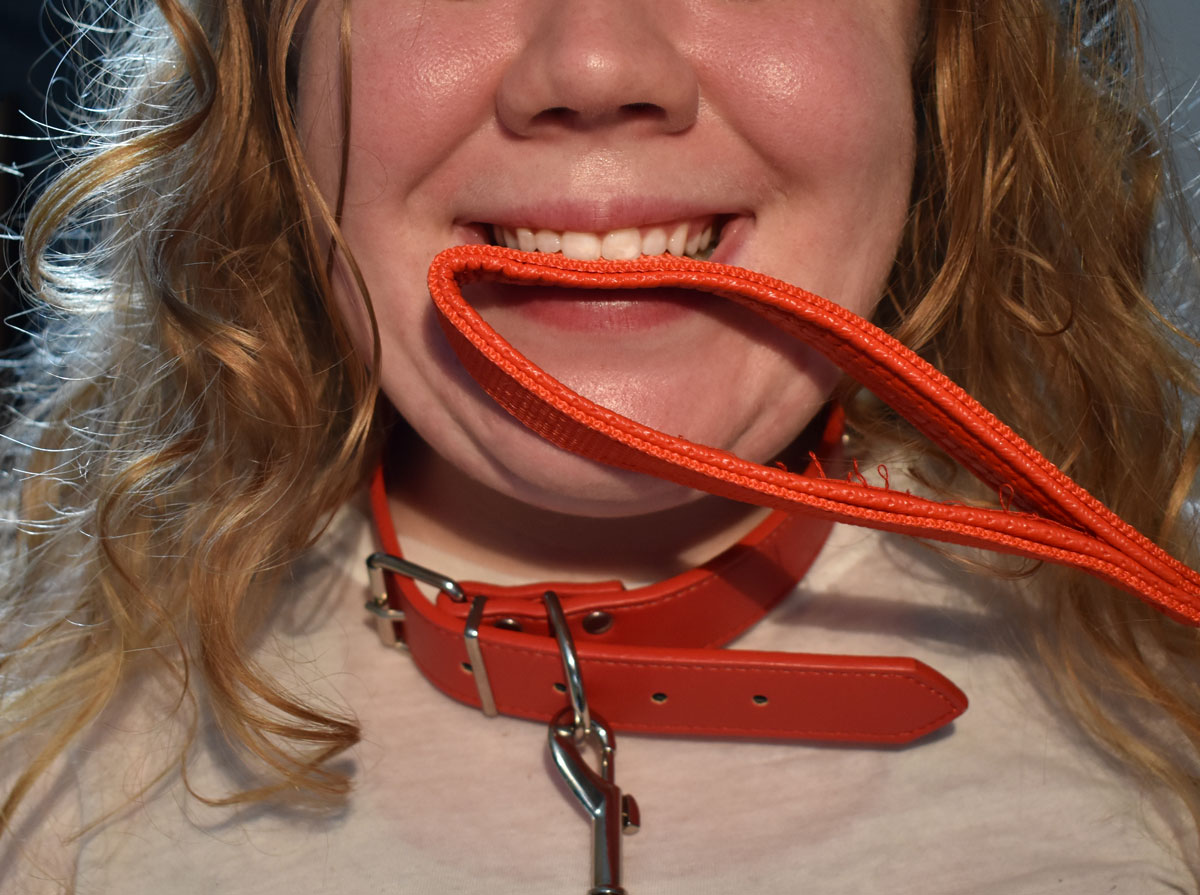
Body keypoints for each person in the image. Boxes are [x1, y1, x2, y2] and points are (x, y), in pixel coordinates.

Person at [3, 0, 1200, 891]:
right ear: (279, 77)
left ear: (938, 57)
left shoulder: (1165, 747)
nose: (591, 64)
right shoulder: (42, 770)